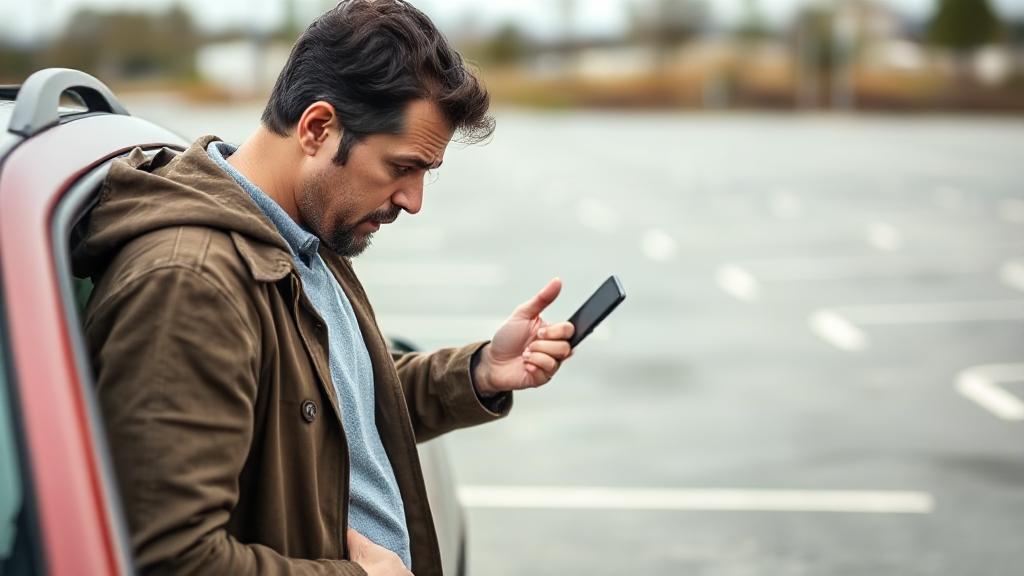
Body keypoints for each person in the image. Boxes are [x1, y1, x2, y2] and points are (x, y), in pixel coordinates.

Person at [71, 1, 574, 575]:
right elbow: (168, 557)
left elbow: (341, 403)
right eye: (401, 167)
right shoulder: (190, 285)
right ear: (317, 128)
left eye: (424, 175)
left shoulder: (299, 235)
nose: (413, 201)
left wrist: (479, 371)